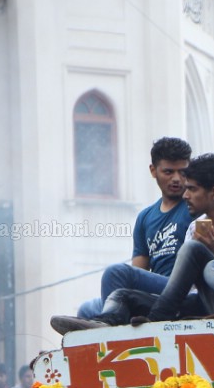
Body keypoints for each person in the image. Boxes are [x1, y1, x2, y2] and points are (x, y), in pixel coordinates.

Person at [52, 155, 214, 330]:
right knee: (121, 296)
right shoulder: (194, 226)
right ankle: (106, 325)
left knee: (204, 258)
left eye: (193, 189)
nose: (186, 195)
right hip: (199, 302)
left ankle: (158, 316)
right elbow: (188, 291)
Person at [53, 138, 195, 332]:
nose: (177, 179)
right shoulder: (146, 217)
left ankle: (109, 330)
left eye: (183, 172)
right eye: (169, 172)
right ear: (153, 171)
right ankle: (103, 335)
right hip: (157, 291)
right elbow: (139, 271)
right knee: (86, 309)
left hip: (183, 289)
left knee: (116, 272)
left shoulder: (194, 206)